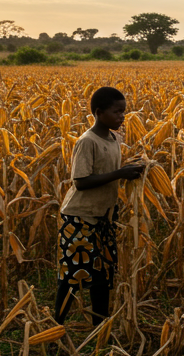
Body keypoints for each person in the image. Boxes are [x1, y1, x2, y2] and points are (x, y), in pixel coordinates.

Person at [55, 86, 146, 325]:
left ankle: (100, 326)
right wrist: (120, 173)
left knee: (102, 274)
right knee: (72, 277)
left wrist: (132, 168)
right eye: (116, 112)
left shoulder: (113, 138)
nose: (122, 117)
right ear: (98, 112)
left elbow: (108, 171)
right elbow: (81, 181)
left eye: (123, 112)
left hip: (104, 217)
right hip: (79, 217)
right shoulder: (87, 142)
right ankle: (56, 327)